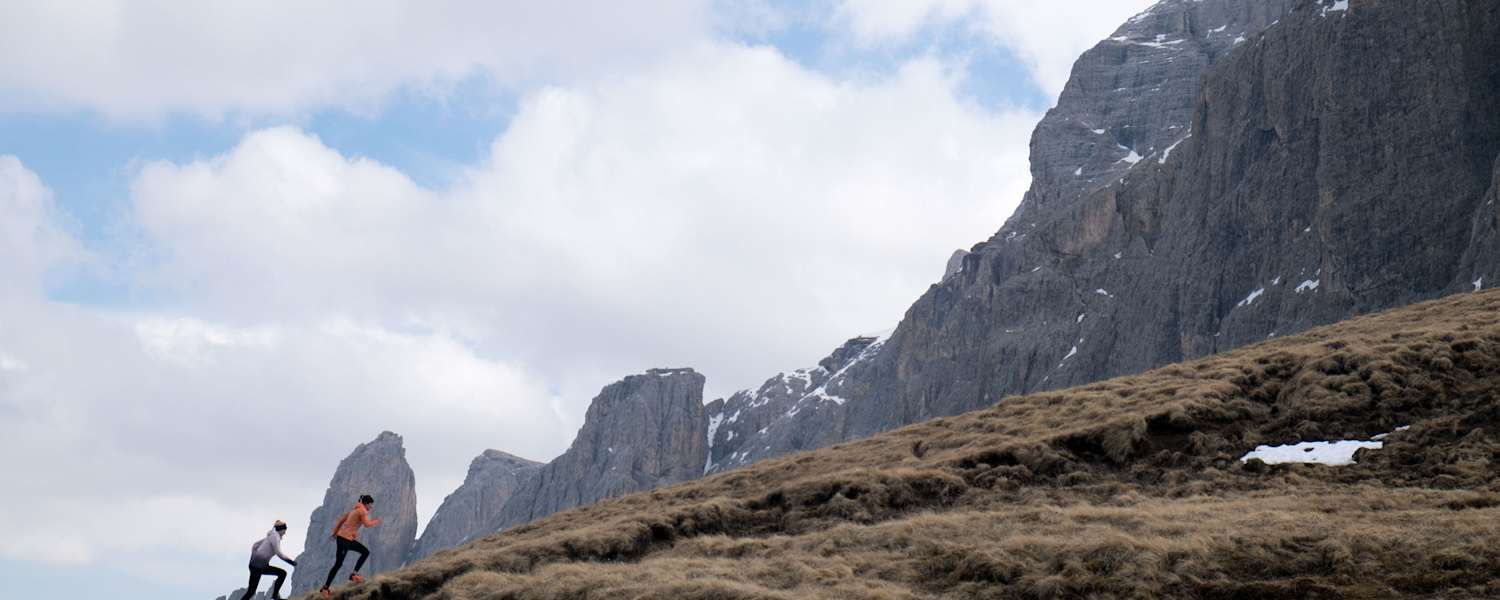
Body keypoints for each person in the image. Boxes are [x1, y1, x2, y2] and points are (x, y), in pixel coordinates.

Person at [320, 494, 381, 597]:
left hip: (345, 539)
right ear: (366, 504)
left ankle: (353, 574)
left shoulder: (354, 510)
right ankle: (325, 588)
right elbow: (367, 524)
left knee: (365, 552)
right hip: (344, 540)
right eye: (370, 505)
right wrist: (377, 521)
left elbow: (341, 520)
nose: (371, 507)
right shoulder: (362, 511)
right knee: (338, 564)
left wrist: (335, 533)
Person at [242, 520, 296, 600]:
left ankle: (274, 596)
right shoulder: (275, 537)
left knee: (251, 591)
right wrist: (291, 562)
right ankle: (274, 596)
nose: (285, 533)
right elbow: (279, 553)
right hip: (257, 567)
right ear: (281, 529)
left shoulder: (271, 536)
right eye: (284, 530)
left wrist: (253, 559)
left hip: (258, 566)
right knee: (282, 574)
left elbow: (255, 545)